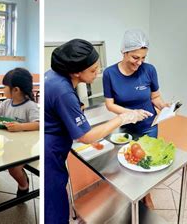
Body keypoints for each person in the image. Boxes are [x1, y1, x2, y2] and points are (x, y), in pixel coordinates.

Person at [44, 39, 149, 223]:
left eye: (98, 67)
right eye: (93, 70)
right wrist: (122, 118)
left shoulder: (53, 76)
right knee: (53, 207)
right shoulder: (64, 91)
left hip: (52, 145)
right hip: (50, 153)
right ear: (76, 71)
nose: (97, 73)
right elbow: (85, 136)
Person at [0, 68, 39, 197]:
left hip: (24, 147)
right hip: (9, 145)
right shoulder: (7, 103)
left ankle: (24, 185)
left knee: (14, 170)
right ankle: (22, 178)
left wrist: (20, 126)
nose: (3, 90)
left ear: (16, 89)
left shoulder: (30, 106)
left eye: (5, 87)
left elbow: (38, 124)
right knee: (9, 167)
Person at [103, 29, 169, 139]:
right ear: (124, 52)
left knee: (149, 155)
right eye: (135, 57)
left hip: (149, 126)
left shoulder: (149, 70)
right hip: (126, 126)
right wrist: (133, 113)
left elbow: (155, 96)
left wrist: (163, 106)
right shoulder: (109, 73)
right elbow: (110, 105)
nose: (139, 62)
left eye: (143, 57)